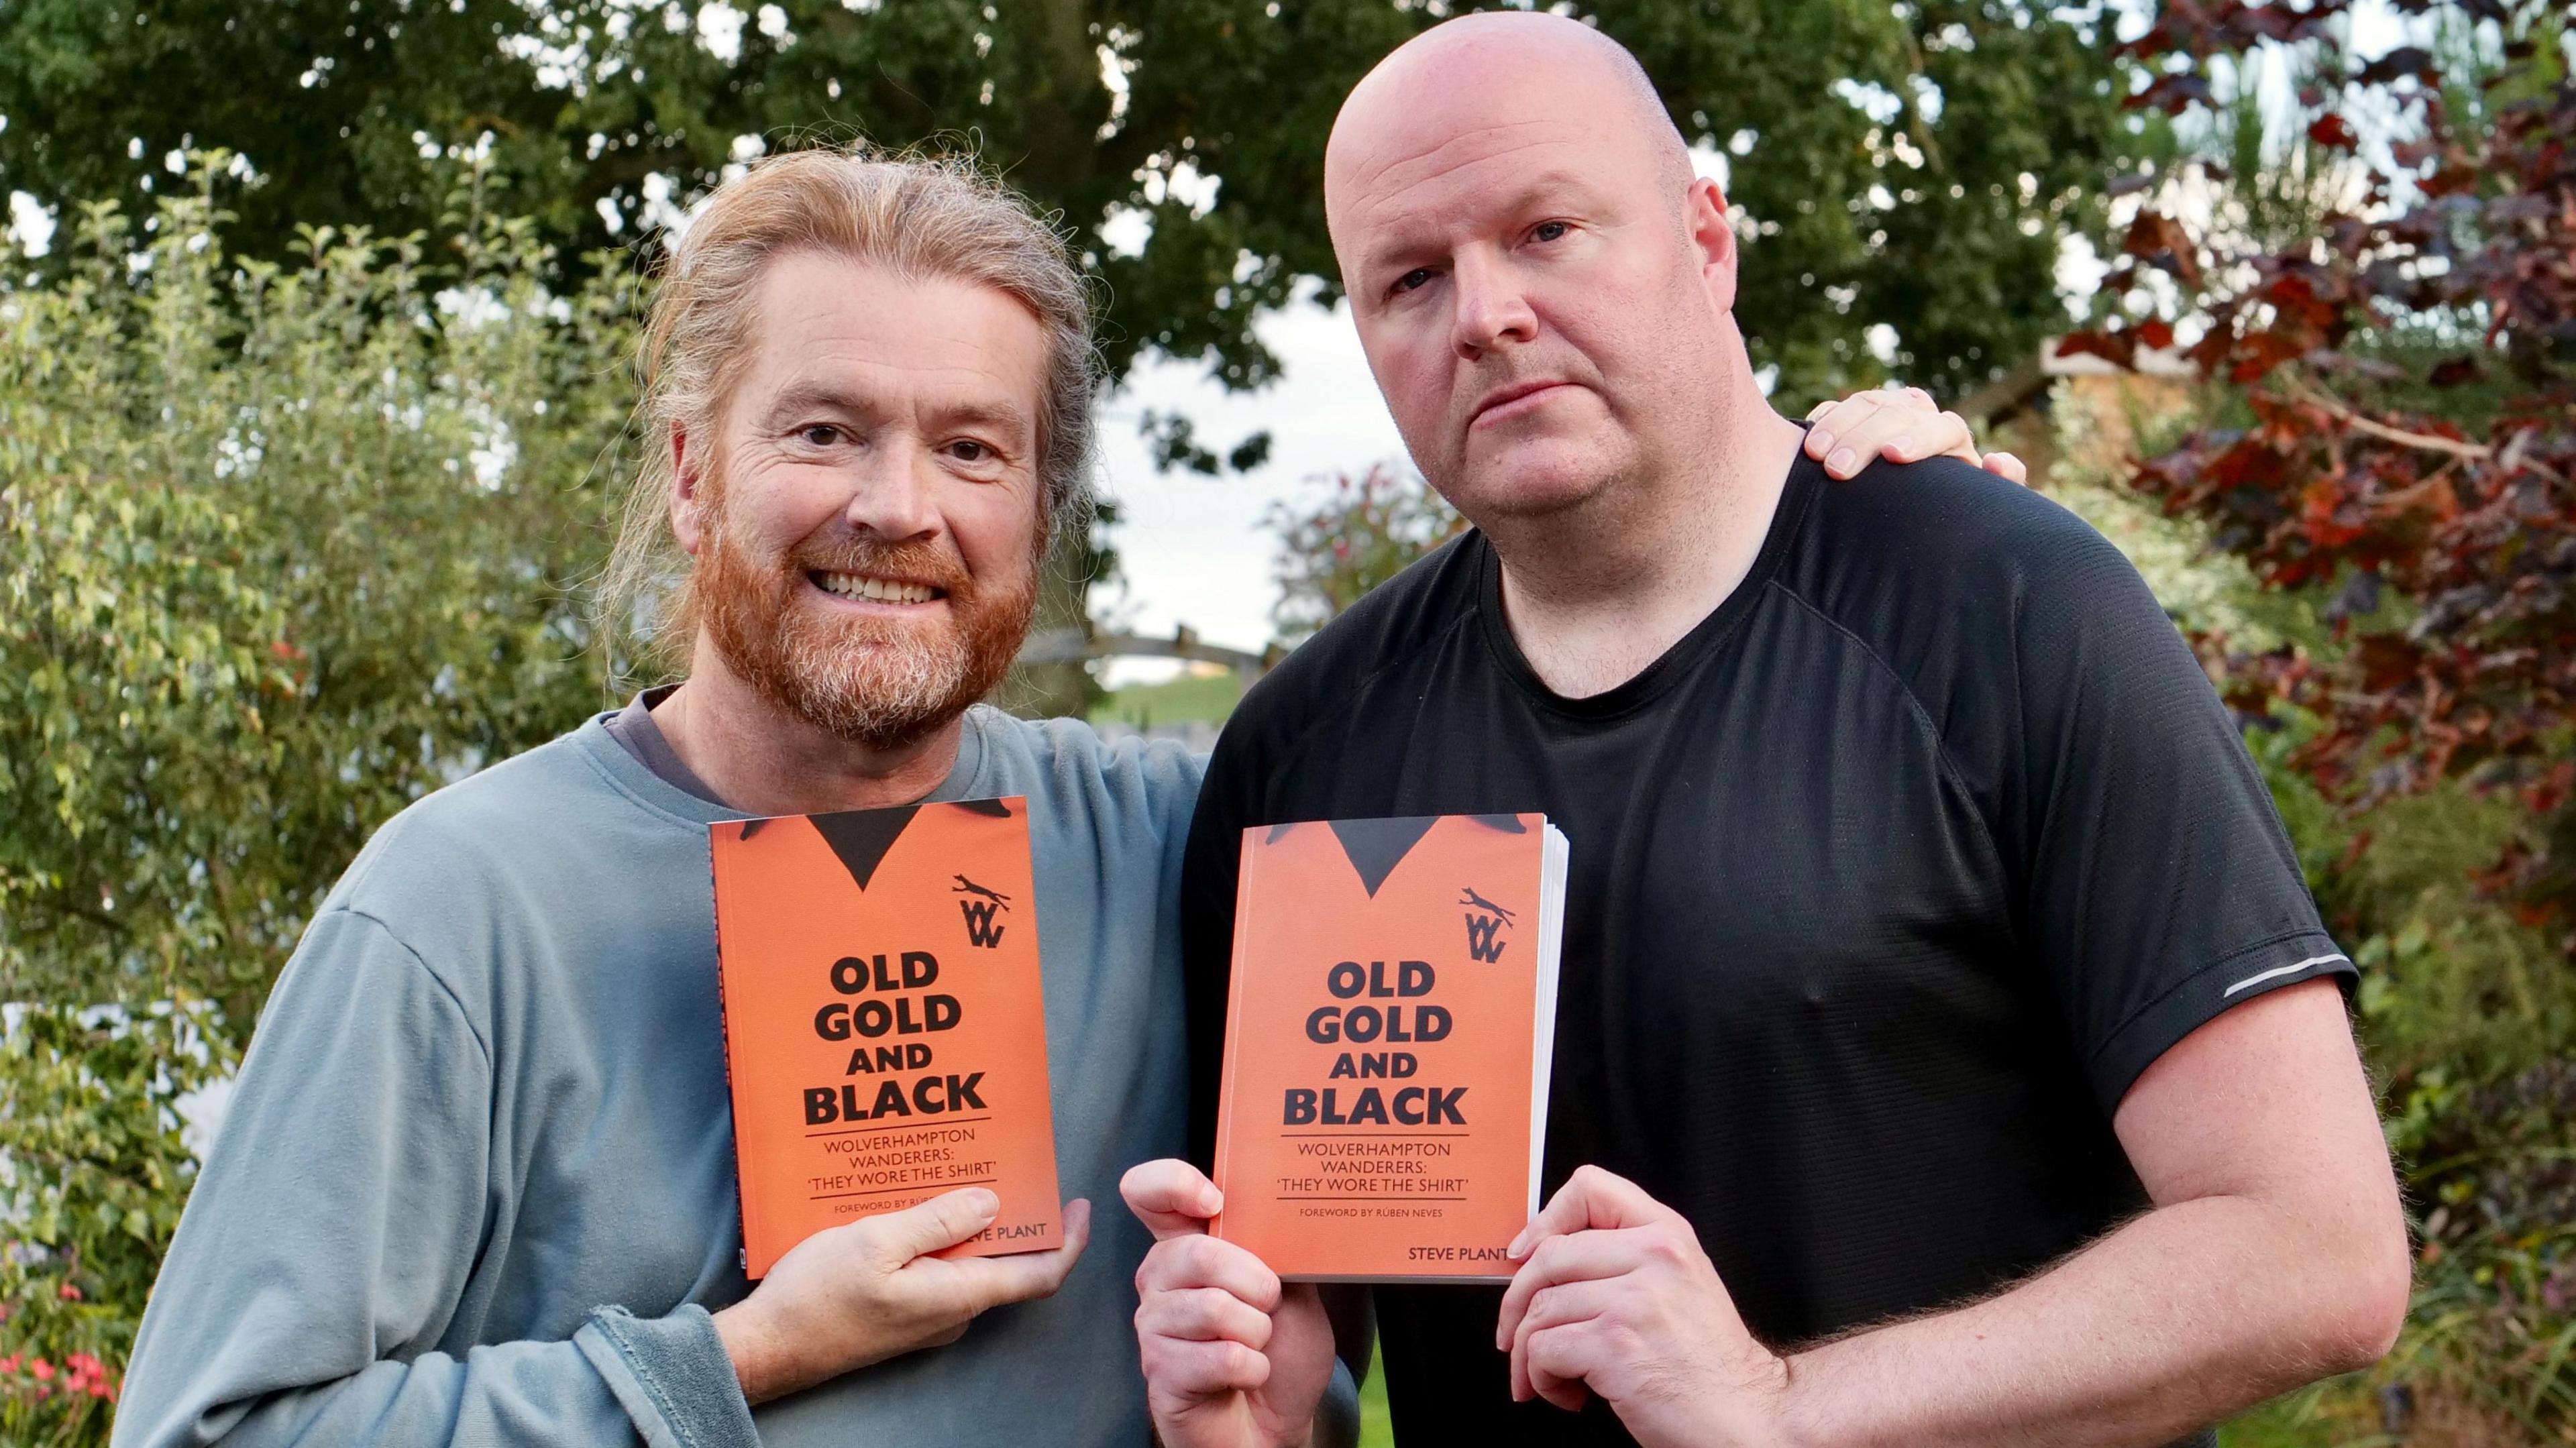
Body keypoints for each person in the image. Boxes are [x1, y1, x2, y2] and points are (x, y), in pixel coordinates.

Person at [111, 143, 2002, 1448]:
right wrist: (738, 1358)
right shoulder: (460, 913)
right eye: (825, 430)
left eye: (972, 449)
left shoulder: (1193, 839)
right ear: (694, 476)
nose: (897, 509)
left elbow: (1592, 768)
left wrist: (1830, 510)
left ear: (1037, 512)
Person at [1122, 14, 2410, 1448]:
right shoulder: (1307, 753)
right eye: (1409, 278)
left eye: (1547, 230)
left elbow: (2315, 1252)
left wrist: (1783, 1407)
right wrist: (1240, 1399)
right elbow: (1312, 1345)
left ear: (1708, 241)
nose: (1481, 312)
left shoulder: (2006, 610)